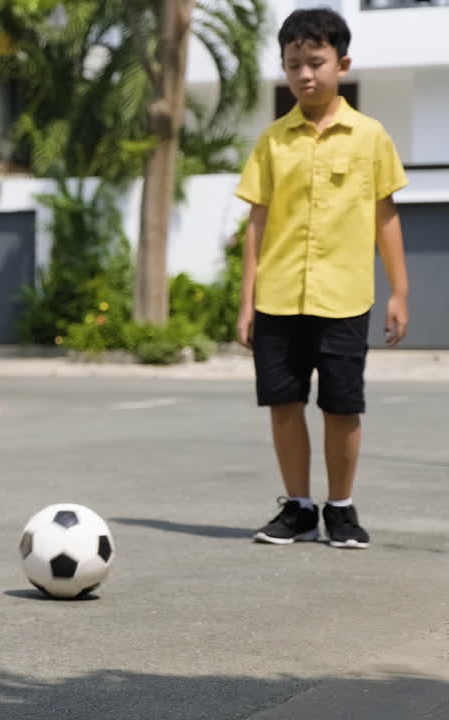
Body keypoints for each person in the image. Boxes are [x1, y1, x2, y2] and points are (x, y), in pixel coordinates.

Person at [236, 9, 409, 550]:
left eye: (316, 62)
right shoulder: (272, 141)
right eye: (293, 65)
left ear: (342, 63)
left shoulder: (370, 136)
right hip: (280, 296)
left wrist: (399, 291)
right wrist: (247, 303)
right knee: (284, 403)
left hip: (344, 295)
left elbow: (386, 216)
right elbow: (256, 223)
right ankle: (299, 507)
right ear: (284, 70)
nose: (305, 75)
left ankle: (341, 508)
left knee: (341, 405)